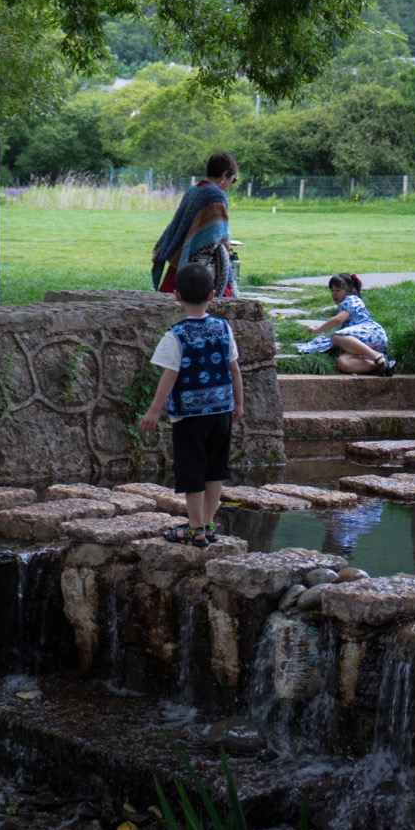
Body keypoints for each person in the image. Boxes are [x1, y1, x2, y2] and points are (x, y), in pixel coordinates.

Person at [137, 261, 244, 548]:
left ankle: (195, 529)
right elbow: (234, 369)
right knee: (215, 469)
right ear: (212, 295)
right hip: (221, 412)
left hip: (188, 417)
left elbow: (169, 374)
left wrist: (154, 409)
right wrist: (239, 403)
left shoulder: (176, 335)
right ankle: (209, 525)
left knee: (192, 470)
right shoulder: (223, 328)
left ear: (176, 296)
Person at [151, 151, 239, 298]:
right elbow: (217, 238)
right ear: (225, 175)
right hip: (200, 264)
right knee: (217, 300)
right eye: (233, 179)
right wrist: (227, 244)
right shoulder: (216, 196)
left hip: (180, 254)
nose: (231, 183)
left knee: (170, 299)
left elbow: (179, 223)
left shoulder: (195, 188)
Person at [295, 273, 394, 373]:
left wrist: (317, 330)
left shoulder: (352, 299)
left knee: (336, 337)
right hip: (362, 341)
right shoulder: (346, 304)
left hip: (370, 332)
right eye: (332, 290)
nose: (334, 293)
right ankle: (383, 366)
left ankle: (378, 357)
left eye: (338, 290)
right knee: (343, 362)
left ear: (349, 291)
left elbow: (338, 320)